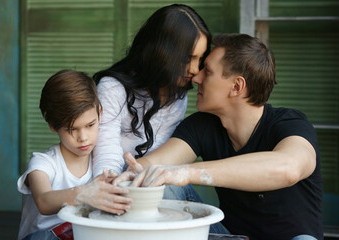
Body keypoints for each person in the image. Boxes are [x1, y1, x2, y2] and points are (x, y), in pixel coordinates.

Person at [114, 34, 323, 240]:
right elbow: (153, 166)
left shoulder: (290, 124)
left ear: (236, 86)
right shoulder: (202, 125)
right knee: (159, 181)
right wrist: (126, 177)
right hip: (230, 237)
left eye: (208, 71)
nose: (196, 78)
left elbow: (289, 168)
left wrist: (186, 172)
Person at [92, 4, 211, 201]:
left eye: (200, 59)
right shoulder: (113, 88)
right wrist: (113, 187)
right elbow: (106, 151)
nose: (195, 69)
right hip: (114, 187)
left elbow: (162, 156)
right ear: (162, 52)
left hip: (148, 185)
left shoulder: (178, 96)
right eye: (188, 58)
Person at [17, 70, 132, 240]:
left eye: (90, 125)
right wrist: (85, 193)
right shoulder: (42, 163)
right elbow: (44, 201)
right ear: (53, 126)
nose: (83, 137)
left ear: (100, 113)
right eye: (72, 129)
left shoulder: (102, 160)